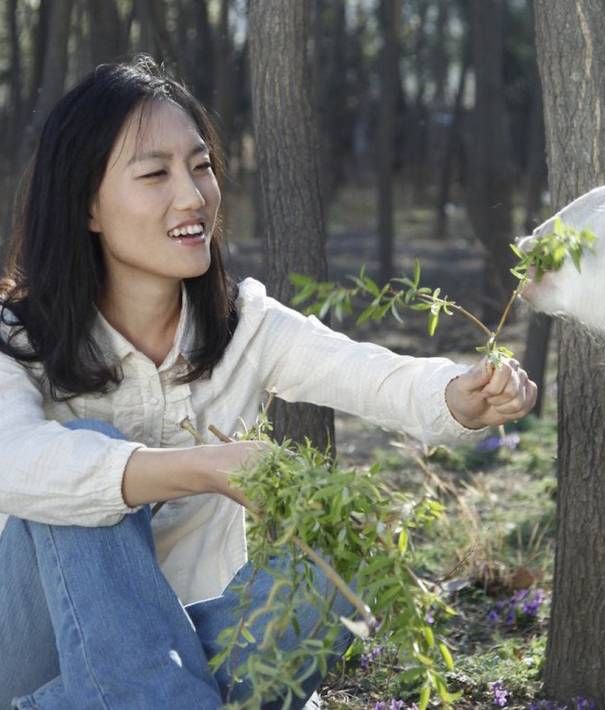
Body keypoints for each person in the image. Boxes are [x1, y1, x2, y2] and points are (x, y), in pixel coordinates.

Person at [0, 57, 537, 710]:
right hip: (28, 643)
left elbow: (371, 374)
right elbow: (15, 461)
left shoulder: (241, 325)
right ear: (87, 204)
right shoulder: (16, 337)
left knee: (341, 561)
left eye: (201, 166)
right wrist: (204, 466)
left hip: (197, 627)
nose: (194, 196)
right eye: (155, 173)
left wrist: (462, 395)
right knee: (75, 465)